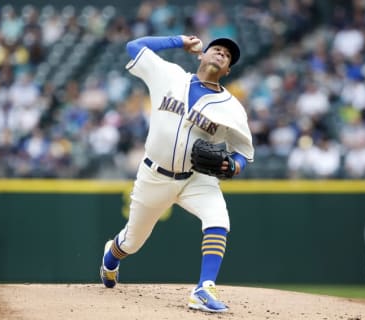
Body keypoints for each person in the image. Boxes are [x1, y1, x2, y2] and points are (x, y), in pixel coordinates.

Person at [99, 35, 254, 313]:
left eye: (227, 55)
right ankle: (111, 257)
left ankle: (204, 288)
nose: (221, 54)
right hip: (154, 176)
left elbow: (244, 152)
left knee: (219, 218)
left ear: (228, 70)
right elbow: (133, 47)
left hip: (197, 178)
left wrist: (233, 165)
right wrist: (178, 40)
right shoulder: (169, 75)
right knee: (132, 242)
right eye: (216, 49)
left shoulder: (232, 108)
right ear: (201, 56)